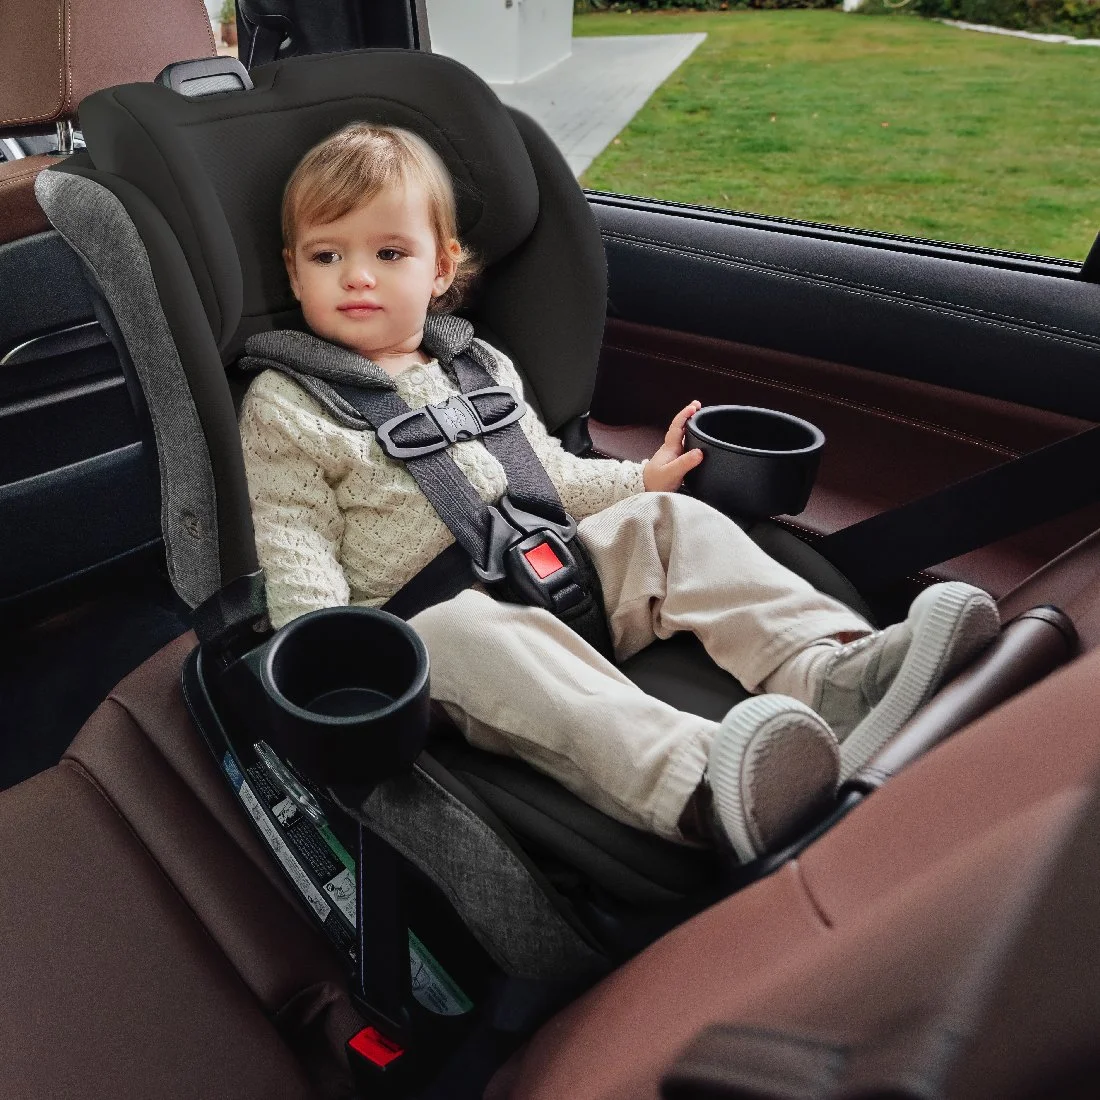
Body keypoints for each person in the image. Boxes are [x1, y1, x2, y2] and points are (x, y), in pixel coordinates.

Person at [238, 123, 999, 863]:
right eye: (327, 255)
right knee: (475, 633)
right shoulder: (285, 405)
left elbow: (549, 478)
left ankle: (835, 674)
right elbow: (294, 543)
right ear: (295, 273)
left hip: (553, 572)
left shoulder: (481, 369)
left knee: (667, 520)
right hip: (428, 636)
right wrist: (330, 652)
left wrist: (644, 479)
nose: (357, 276)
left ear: (441, 270)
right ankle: (701, 781)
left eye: (389, 252)